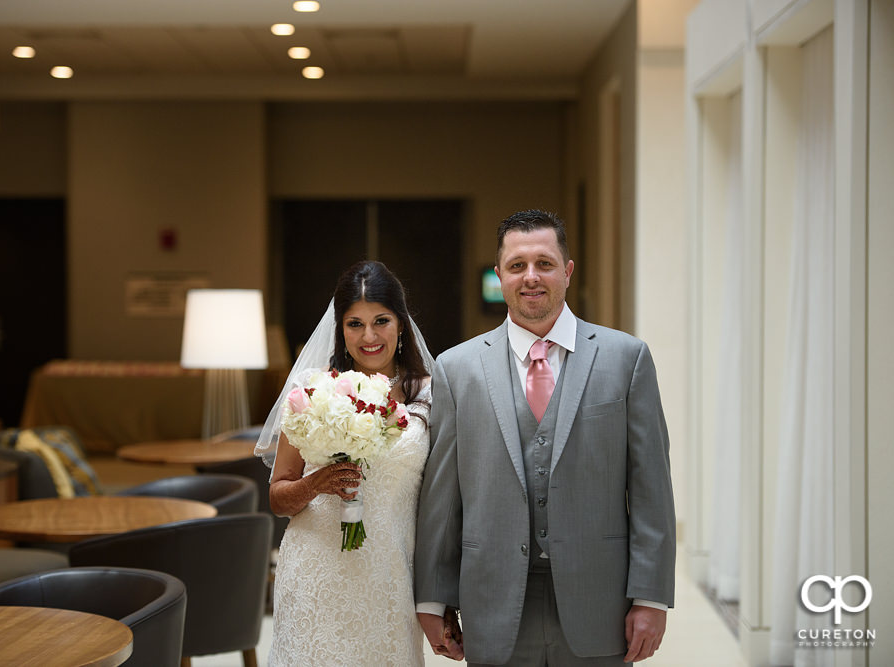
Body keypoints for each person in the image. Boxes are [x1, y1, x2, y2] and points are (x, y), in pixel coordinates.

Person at [414, 209, 676, 666]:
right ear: (500, 275)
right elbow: (443, 497)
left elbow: (652, 487)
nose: (530, 277)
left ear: (568, 272)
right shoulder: (456, 369)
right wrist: (433, 599)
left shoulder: (626, 359)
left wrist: (651, 597)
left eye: (544, 263)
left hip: (600, 601)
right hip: (493, 599)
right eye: (517, 266)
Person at [255, 260, 435, 666]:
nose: (369, 336)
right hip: (316, 572)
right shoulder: (311, 393)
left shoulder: (431, 396)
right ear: (340, 329)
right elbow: (278, 497)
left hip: (390, 577)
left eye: (381, 321)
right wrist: (314, 484)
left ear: (402, 324)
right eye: (354, 324)